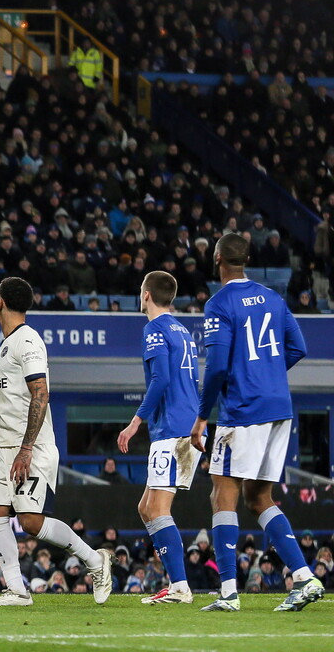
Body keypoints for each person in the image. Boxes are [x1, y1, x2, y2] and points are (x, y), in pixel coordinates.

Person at [191, 233, 323, 612]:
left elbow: (216, 367)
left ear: (217, 258)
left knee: (222, 495)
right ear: (245, 259)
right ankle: (305, 577)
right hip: (279, 408)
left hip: (243, 411)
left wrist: (202, 418)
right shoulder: (272, 297)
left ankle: (229, 593)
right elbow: (298, 347)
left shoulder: (219, 304)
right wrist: (265, 374)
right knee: (258, 497)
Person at [0, 276, 113, 607]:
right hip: (2, 444)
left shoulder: (28, 341)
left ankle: (95, 560)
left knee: (30, 522)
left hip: (32, 446)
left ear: (0, 303)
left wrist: (26, 449)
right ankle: (17, 590)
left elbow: (40, 392)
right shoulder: (8, 342)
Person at [116, 270, 202, 605]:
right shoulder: (182, 330)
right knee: (146, 507)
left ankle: (180, 586)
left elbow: (161, 379)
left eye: (141, 291)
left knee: (158, 507)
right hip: (185, 425)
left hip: (174, 430)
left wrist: (135, 422)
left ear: (147, 295)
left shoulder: (154, 329)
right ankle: (176, 582)